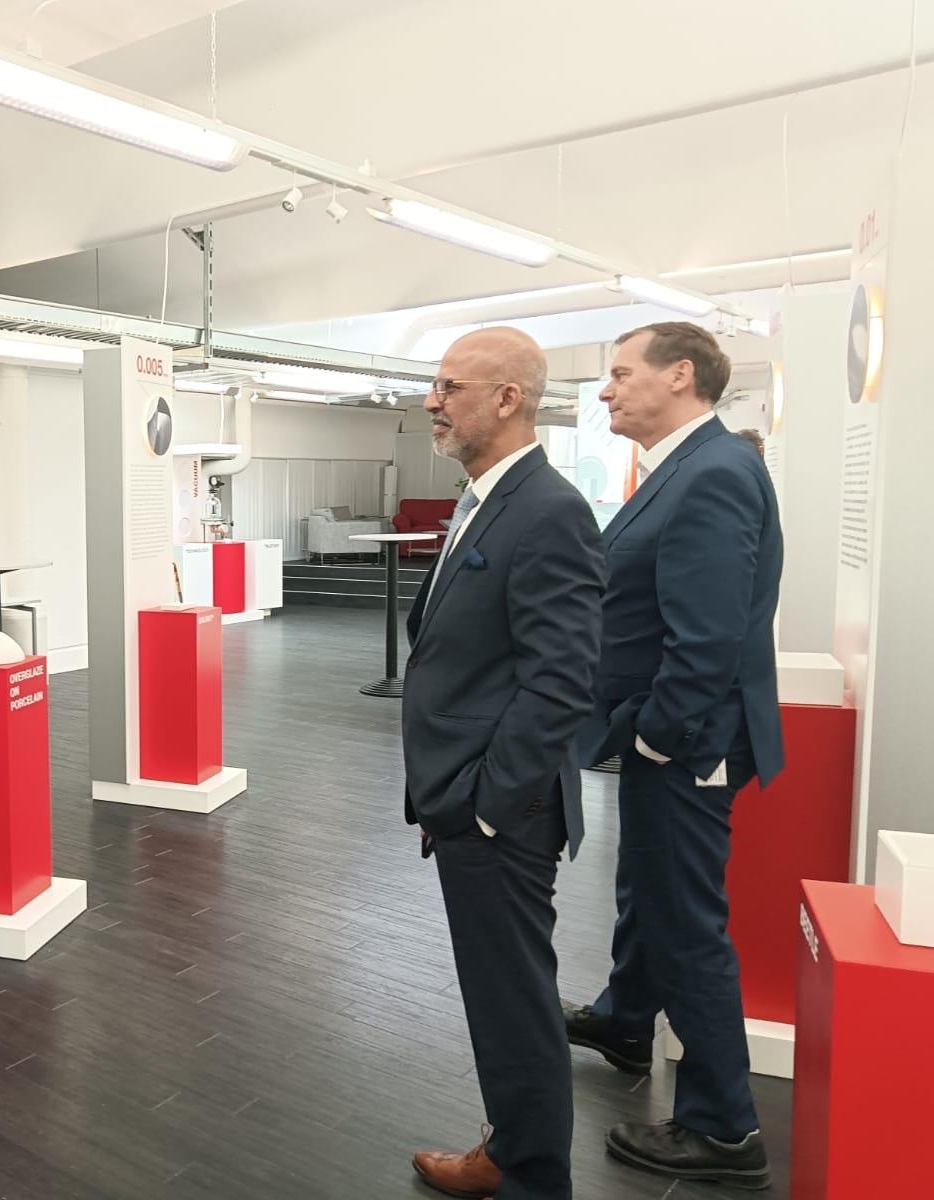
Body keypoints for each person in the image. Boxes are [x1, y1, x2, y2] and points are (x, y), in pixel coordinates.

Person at [569, 321, 783, 1190]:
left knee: (687, 921)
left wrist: (656, 734)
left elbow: (708, 639)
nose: (606, 391)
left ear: (680, 376)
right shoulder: (689, 468)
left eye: (621, 374)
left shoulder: (714, 474)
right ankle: (626, 1018)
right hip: (665, 736)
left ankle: (724, 1125)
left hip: (686, 743)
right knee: (647, 889)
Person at [403, 328, 604, 1200]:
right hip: (471, 798)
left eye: (449, 385)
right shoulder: (487, 497)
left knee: (516, 1005)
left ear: (508, 398)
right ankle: (510, 1146)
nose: (432, 401)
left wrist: (488, 804)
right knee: (499, 998)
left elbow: (562, 681)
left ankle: (531, 1179)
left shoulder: (549, 508)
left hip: (500, 812)